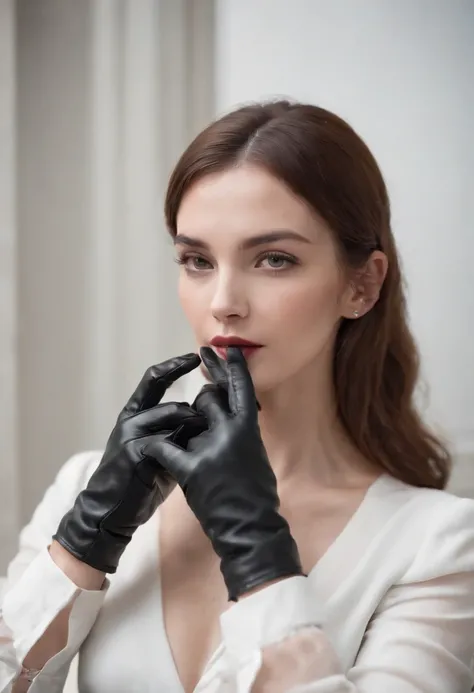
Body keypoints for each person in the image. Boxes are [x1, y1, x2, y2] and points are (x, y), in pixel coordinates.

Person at [1, 99, 474, 693]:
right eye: (197, 260)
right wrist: (82, 545)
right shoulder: (83, 486)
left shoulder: (436, 545)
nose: (224, 300)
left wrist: (259, 553)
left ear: (362, 283)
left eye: (274, 259)